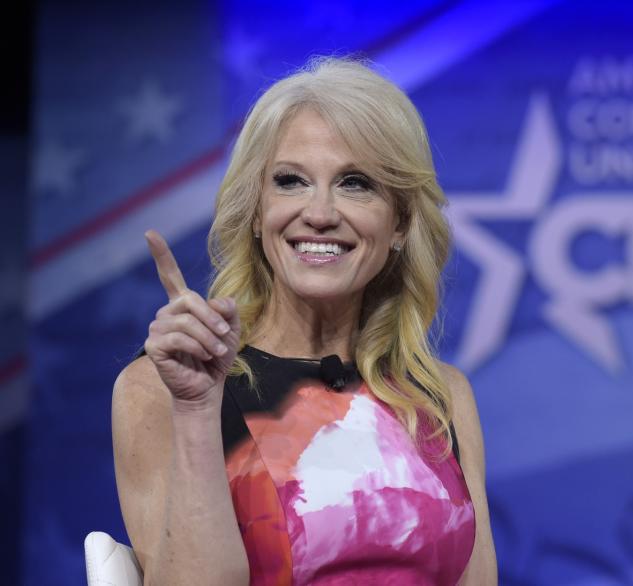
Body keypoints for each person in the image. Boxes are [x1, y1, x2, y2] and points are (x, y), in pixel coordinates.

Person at [111, 56, 496, 585]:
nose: (319, 212)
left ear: (401, 222)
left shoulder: (440, 397)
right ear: (255, 210)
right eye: (290, 181)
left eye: (356, 183)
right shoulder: (162, 390)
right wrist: (199, 409)